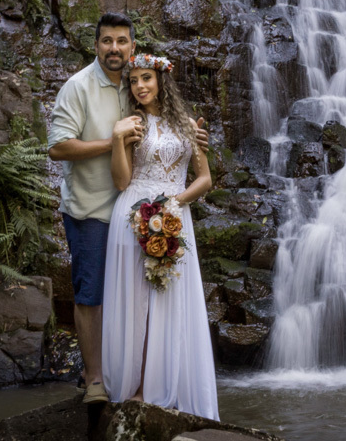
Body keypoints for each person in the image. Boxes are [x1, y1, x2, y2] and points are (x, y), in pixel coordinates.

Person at [48, 14, 208, 406]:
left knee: (146, 298)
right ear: (96, 45)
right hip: (93, 208)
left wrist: (193, 139)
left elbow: (188, 157)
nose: (114, 48)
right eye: (106, 41)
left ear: (133, 48)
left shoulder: (132, 86)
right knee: (92, 292)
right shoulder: (79, 86)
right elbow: (57, 148)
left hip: (148, 212)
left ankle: (152, 381)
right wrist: (114, 140)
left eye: (121, 41)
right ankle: (96, 380)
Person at [101, 53, 218, 420]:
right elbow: (122, 181)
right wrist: (118, 139)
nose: (140, 86)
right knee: (137, 303)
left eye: (146, 78)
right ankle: (136, 388)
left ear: (161, 80)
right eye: (134, 80)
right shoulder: (133, 124)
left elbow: (205, 179)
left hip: (173, 216)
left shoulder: (188, 125)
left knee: (168, 302)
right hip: (133, 215)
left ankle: (168, 386)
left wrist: (174, 204)